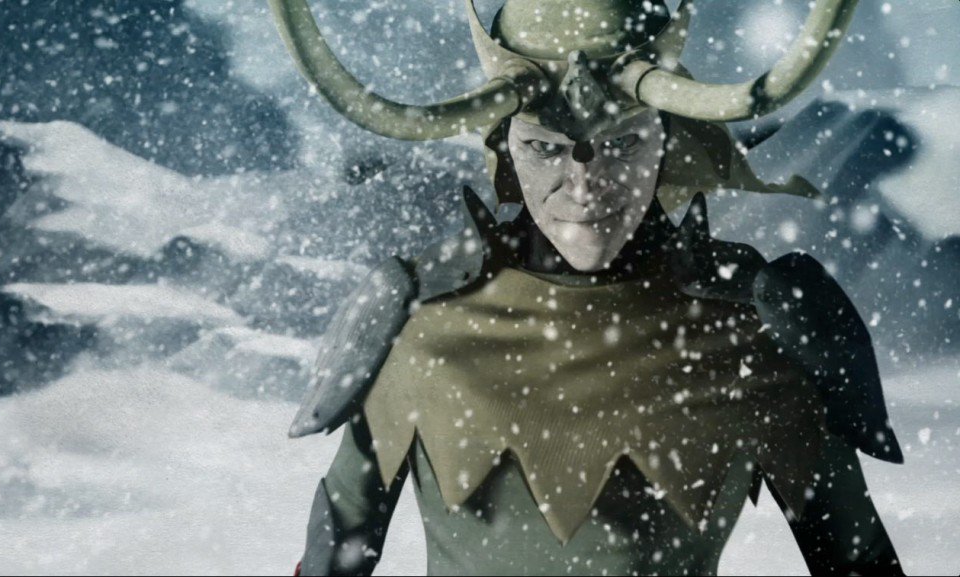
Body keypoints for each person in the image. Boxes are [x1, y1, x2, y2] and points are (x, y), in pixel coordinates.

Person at [270, 0, 906, 574]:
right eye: (546, 147)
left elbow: (858, 559)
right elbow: (338, 548)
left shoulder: (761, 319)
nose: (584, 187)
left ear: (666, 140)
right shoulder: (416, 314)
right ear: (507, 147)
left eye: (621, 141)